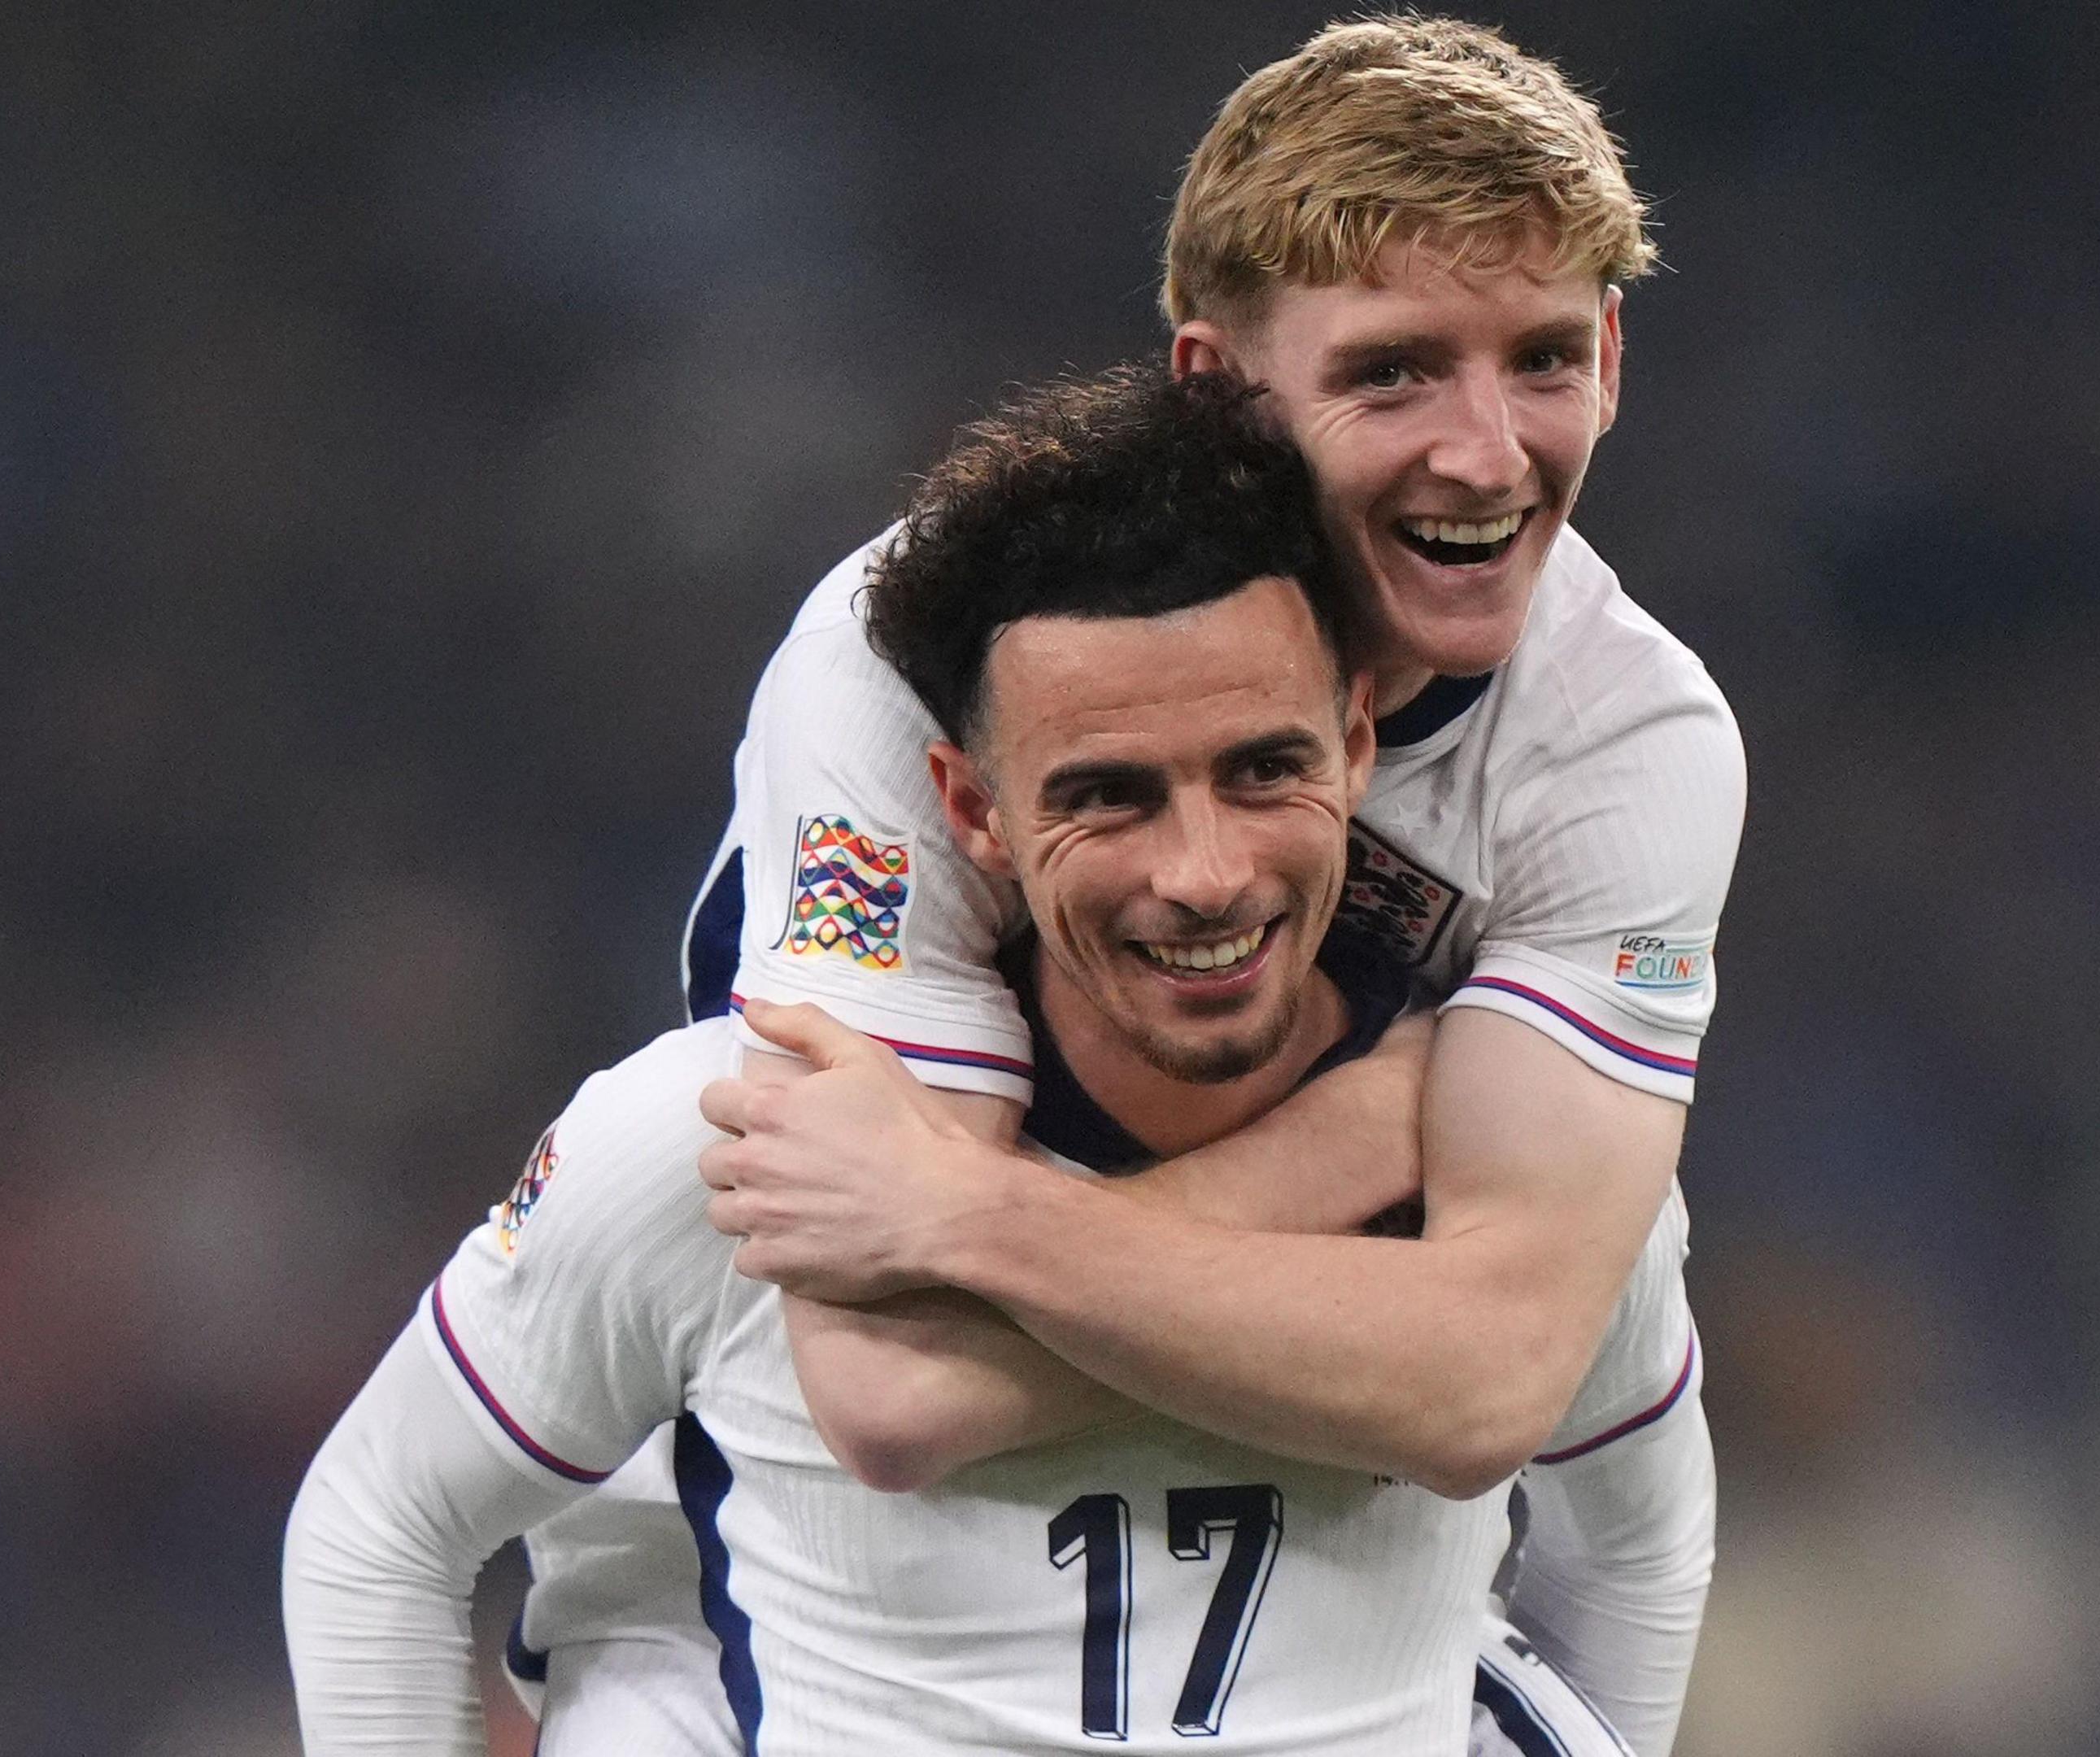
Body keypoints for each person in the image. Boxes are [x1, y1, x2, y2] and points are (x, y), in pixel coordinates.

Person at [284, 368, 1707, 1755]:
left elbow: (1634, 1548)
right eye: (1108, 797)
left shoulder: (1522, 1166)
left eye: (1263, 770)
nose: (1203, 874)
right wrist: (1323, 1174)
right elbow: (381, 1529)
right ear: (972, 808)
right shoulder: (735, 1146)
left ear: (1352, 747)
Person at [693, 20, 1738, 1750]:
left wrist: (977, 1220)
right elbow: (890, 1392)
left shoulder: (1629, 742)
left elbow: (1488, 1388)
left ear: (1615, 353)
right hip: (860, 1579)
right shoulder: (916, 667)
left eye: (1545, 359)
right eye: (1394, 374)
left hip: (1317, 1553)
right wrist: (1385, 1125)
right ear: (1214, 384)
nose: (1486, 456)